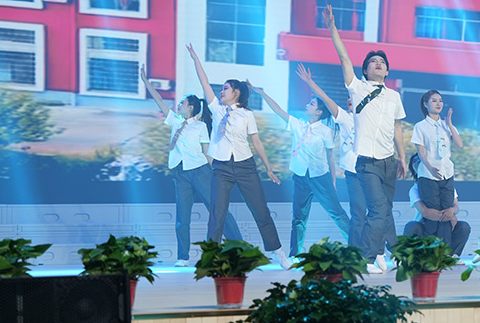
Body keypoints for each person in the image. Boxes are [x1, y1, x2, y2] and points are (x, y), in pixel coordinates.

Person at [185, 44, 289, 267]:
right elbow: (204, 83)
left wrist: (268, 168)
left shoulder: (247, 115)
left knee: (260, 210)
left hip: (245, 167)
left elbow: (256, 142)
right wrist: (195, 59)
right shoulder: (217, 109)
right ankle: (210, 256)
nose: (221, 92)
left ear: (236, 93)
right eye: (221, 89)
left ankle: (277, 251)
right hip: (221, 168)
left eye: (225, 89)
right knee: (217, 214)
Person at [323, 5, 407, 274]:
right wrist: (333, 28)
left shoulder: (394, 96)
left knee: (385, 210)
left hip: (389, 161)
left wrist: (402, 157)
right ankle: (367, 258)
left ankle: (386, 254)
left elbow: (397, 127)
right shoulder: (358, 88)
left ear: (387, 70)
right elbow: (344, 58)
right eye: (373, 62)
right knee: (378, 209)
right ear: (366, 70)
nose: (378, 63)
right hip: (367, 162)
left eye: (382, 62)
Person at [139, 65, 242, 267]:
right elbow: (159, 101)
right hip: (180, 172)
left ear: (191, 107)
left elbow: (206, 152)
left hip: (201, 171)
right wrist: (146, 82)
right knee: (182, 218)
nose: (178, 105)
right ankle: (183, 257)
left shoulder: (201, 126)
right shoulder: (175, 121)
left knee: (218, 211)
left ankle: (241, 248)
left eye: (182, 103)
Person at [248, 81, 350, 257]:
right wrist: (261, 93)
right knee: (299, 218)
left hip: (320, 177)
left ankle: (358, 247)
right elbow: (278, 110)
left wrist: (332, 180)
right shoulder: (298, 124)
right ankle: (295, 255)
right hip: (301, 177)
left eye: (312, 104)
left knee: (337, 213)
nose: (307, 105)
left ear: (318, 112)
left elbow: (330, 158)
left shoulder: (325, 131)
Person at [295, 64, 367, 254]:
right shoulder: (344, 118)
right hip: (352, 172)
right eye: (349, 99)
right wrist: (310, 82)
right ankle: (359, 249)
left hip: (370, 170)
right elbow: (326, 99)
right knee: (354, 214)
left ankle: (372, 250)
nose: (351, 100)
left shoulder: (370, 119)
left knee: (372, 214)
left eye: (354, 98)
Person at [411, 90, 463, 245]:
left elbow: (459, 144)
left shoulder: (446, 126)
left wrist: (450, 124)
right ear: (426, 105)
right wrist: (430, 168)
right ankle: (430, 251)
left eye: (440, 100)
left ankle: (444, 251)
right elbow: (420, 152)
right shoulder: (420, 126)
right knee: (433, 215)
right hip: (428, 175)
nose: (438, 103)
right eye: (434, 101)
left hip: (447, 173)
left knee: (447, 213)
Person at [403, 155, 470, 256]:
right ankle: (417, 256)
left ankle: (451, 255)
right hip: (425, 227)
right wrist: (449, 216)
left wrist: (452, 211)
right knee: (411, 226)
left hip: (447, 227)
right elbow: (425, 212)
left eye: (421, 160)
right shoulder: (415, 189)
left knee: (464, 227)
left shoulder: (446, 185)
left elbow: (456, 207)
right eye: (415, 161)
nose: (419, 163)